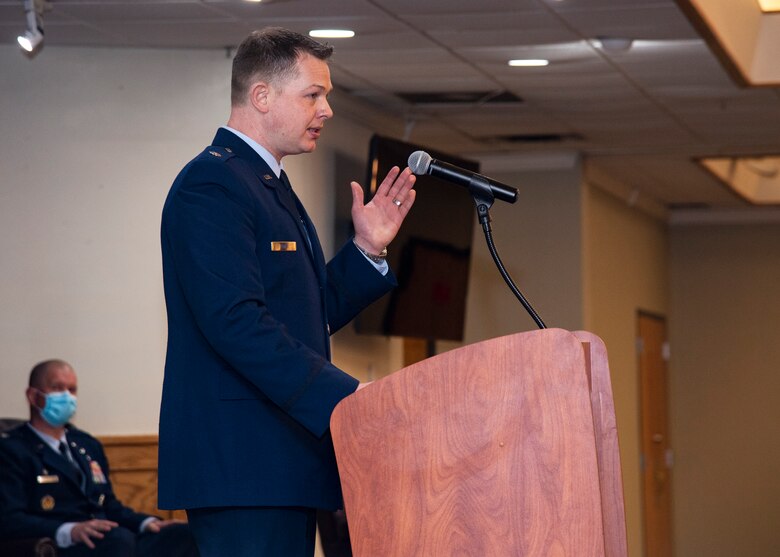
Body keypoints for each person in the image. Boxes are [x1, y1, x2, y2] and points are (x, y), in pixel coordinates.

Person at [158, 26, 416, 557]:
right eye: (313, 95)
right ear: (261, 96)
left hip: (277, 462)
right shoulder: (214, 185)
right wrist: (347, 396)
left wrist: (366, 249)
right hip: (242, 464)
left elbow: (303, 313)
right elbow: (236, 322)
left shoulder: (264, 182)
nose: (326, 110)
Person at [0, 359, 199, 557]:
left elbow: (109, 505)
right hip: (64, 545)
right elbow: (9, 519)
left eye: (72, 389)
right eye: (57, 388)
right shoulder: (13, 449)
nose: (67, 396)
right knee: (118, 540)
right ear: (33, 396)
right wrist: (70, 531)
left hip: (112, 540)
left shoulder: (87, 445)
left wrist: (148, 523)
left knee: (183, 535)